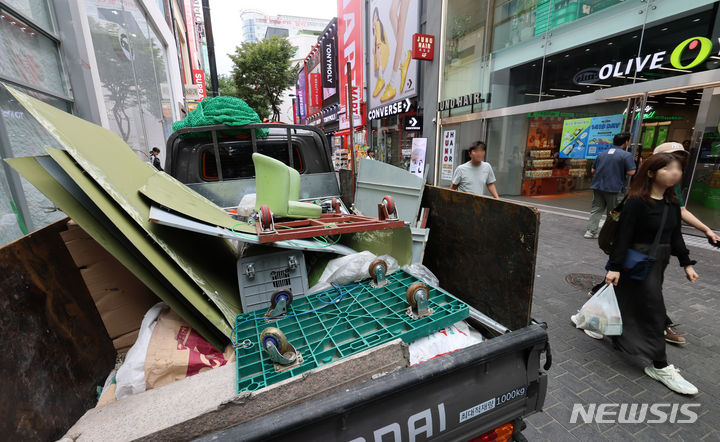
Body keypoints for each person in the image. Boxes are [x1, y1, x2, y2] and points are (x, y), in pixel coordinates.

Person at [605, 153, 699, 395]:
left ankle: (612, 333)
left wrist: (687, 263)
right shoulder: (637, 202)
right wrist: (613, 267)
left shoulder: (671, 203)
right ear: (650, 173)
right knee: (654, 309)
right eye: (668, 168)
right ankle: (660, 365)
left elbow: (675, 236)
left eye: (678, 168)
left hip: (659, 263)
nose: (675, 172)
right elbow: (623, 236)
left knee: (626, 300)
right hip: (636, 260)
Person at [652, 142, 720, 345]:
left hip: (656, 254)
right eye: (670, 160)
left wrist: (706, 231)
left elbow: (677, 222)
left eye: (680, 162)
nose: (676, 167)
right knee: (649, 290)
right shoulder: (640, 195)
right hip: (637, 253)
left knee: (636, 287)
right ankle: (660, 331)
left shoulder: (672, 189)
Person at [584, 132, 636, 239]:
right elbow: (631, 172)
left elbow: (593, 170)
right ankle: (610, 233)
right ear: (626, 142)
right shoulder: (626, 155)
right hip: (614, 187)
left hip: (598, 186)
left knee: (596, 209)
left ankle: (590, 231)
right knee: (613, 212)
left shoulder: (602, 154)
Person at [371, 1, 412, 103]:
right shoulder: (375, 26)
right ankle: (404, 57)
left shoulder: (378, 25)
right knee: (393, 14)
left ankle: (392, 83)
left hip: (381, 43)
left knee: (401, 24)